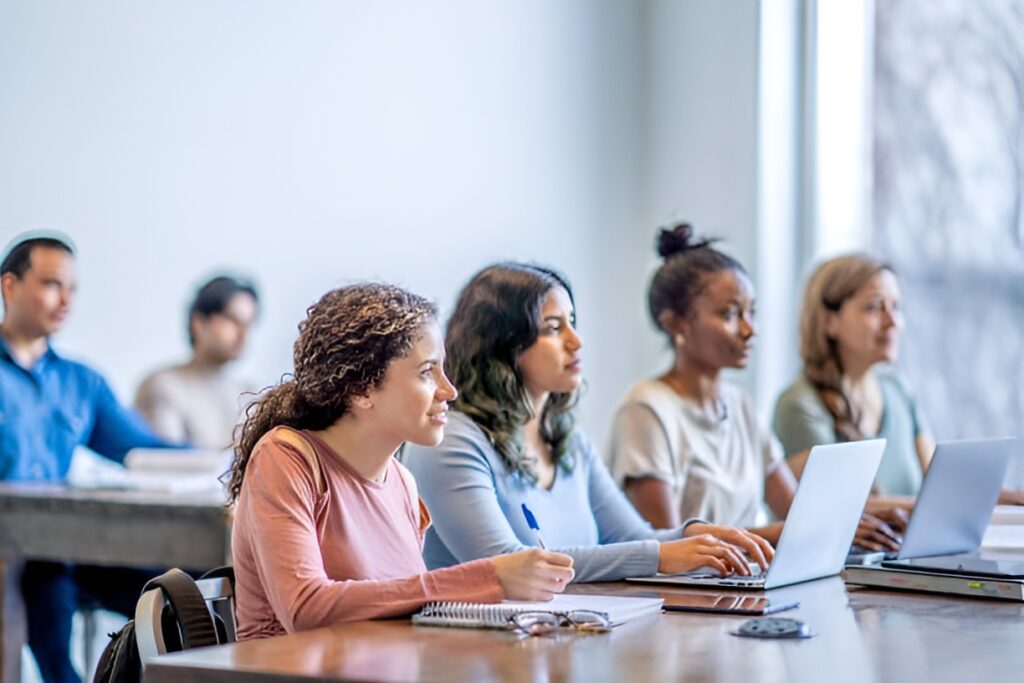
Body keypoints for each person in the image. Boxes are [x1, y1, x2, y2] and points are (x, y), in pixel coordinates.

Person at [227, 283, 574, 641]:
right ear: (361, 389)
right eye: (427, 372)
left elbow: (404, 606)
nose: (449, 391)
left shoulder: (402, 482)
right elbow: (305, 609)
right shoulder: (284, 458)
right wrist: (487, 578)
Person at [401, 262, 774, 584]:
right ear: (503, 344)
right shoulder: (451, 440)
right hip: (474, 653)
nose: (576, 342)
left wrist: (694, 534)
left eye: (573, 323)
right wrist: (662, 555)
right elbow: (508, 563)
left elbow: (631, 537)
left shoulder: (569, 441)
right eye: (553, 328)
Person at [604, 225, 900, 552]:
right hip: (684, 595)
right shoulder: (646, 409)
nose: (749, 330)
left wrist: (838, 528)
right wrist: (794, 532)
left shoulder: (740, 406)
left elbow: (794, 513)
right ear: (675, 323)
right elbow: (670, 546)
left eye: (751, 313)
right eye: (730, 314)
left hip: (742, 583)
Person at [0, 234, 173, 683]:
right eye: (52, 284)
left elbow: (140, 448)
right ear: (10, 287)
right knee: (50, 613)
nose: (65, 300)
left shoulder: (81, 382)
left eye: (72, 289)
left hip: (60, 547)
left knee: (173, 588)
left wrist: (236, 453)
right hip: (15, 552)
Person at [772, 253, 1023, 507]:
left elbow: (939, 484)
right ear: (829, 321)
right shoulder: (799, 406)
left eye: (896, 307)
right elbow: (838, 508)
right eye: (873, 307)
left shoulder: (898, 391)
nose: (892, 321)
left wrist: (999, 497)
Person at [135, 275, 259, 449]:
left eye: (248, 324)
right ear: (198, 323)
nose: (243, 334)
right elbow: (166, 462)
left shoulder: (251, 394)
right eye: (232, 321)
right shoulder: (161, 386)